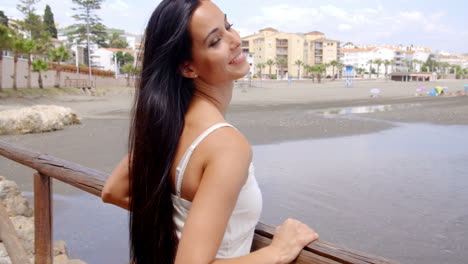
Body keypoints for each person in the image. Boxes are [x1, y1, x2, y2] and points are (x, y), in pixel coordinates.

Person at [101, 0, 319, 263]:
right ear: (188, 67)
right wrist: (278, 252)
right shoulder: (226, 146)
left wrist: (180, 226)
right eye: (215, 41)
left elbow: (114, 190)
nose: (235, 40)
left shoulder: (170, 124)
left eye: (228, 26)